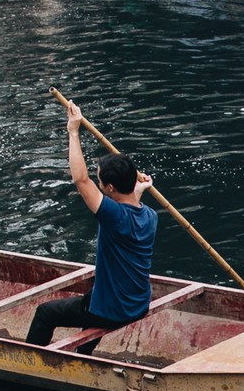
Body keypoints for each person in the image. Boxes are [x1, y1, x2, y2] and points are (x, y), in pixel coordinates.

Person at [26, 99, 158, 350]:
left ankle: (28, 362)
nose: (97, 184)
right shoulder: (150, 215)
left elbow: (80, 179)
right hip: (138, 304)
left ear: (109, 188)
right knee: (94, 297)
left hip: (114, 310)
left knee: (45, 313)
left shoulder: (112, 215)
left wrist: (73, 130)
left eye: (100, 182)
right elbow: (129, 208)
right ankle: (81, 356)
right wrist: (139, 190)